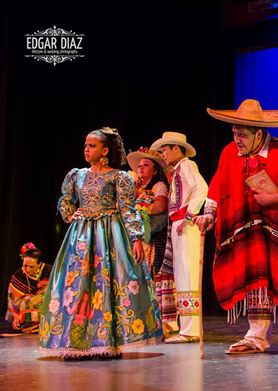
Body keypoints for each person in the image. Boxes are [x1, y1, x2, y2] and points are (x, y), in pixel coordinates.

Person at [195, 99, 278, 356]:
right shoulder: (230, 153)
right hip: (257, 224)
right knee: (257, 273)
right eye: (233, 132)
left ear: (259, 133)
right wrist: (208, 213)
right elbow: (218, 184)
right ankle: (256, 337)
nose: (236, 138)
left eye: (241, 134)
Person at [39, 127, 162, 359]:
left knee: (108, 284)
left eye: (92, 145)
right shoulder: (78, 174)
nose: (86, 149)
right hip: (82, 234)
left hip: (110, 234)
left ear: (105, 150)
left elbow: (128, 209)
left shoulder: (119, 177)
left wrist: (136, 238)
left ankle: (108, 342)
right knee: (78, 286)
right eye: (85, 145)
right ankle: (76, 342)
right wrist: (70, 214)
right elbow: (66, 199)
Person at [150, 132, 208, 343]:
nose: (163, 154)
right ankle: (187, 328)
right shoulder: (177, 170)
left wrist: (190, 214)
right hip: (177, 222)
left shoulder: (187, 165)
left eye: (165, 149)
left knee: (188, 274)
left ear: (176, 148)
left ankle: (191, 329)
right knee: (182, 276)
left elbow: (202, 188)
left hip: (185, 223)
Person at [127, 146, 178, 337]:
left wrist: (138, 209)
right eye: (139, 165)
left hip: (153, 238)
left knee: (153, 277)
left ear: (154, 170)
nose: (141, 168)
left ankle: (159, 323)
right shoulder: (133, 186)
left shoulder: (158, 186)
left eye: (146, 165)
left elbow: (159, 206)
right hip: (134, 237)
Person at [5, 242, 51, 333]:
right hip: (25, 310)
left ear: (39, 264)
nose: (27, 270)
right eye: (25, 266)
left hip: (48, 306)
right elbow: (12, 300)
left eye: (31, 267)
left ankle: (47, 325)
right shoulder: (17, 276)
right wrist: (15, 316)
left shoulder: (49, 271)